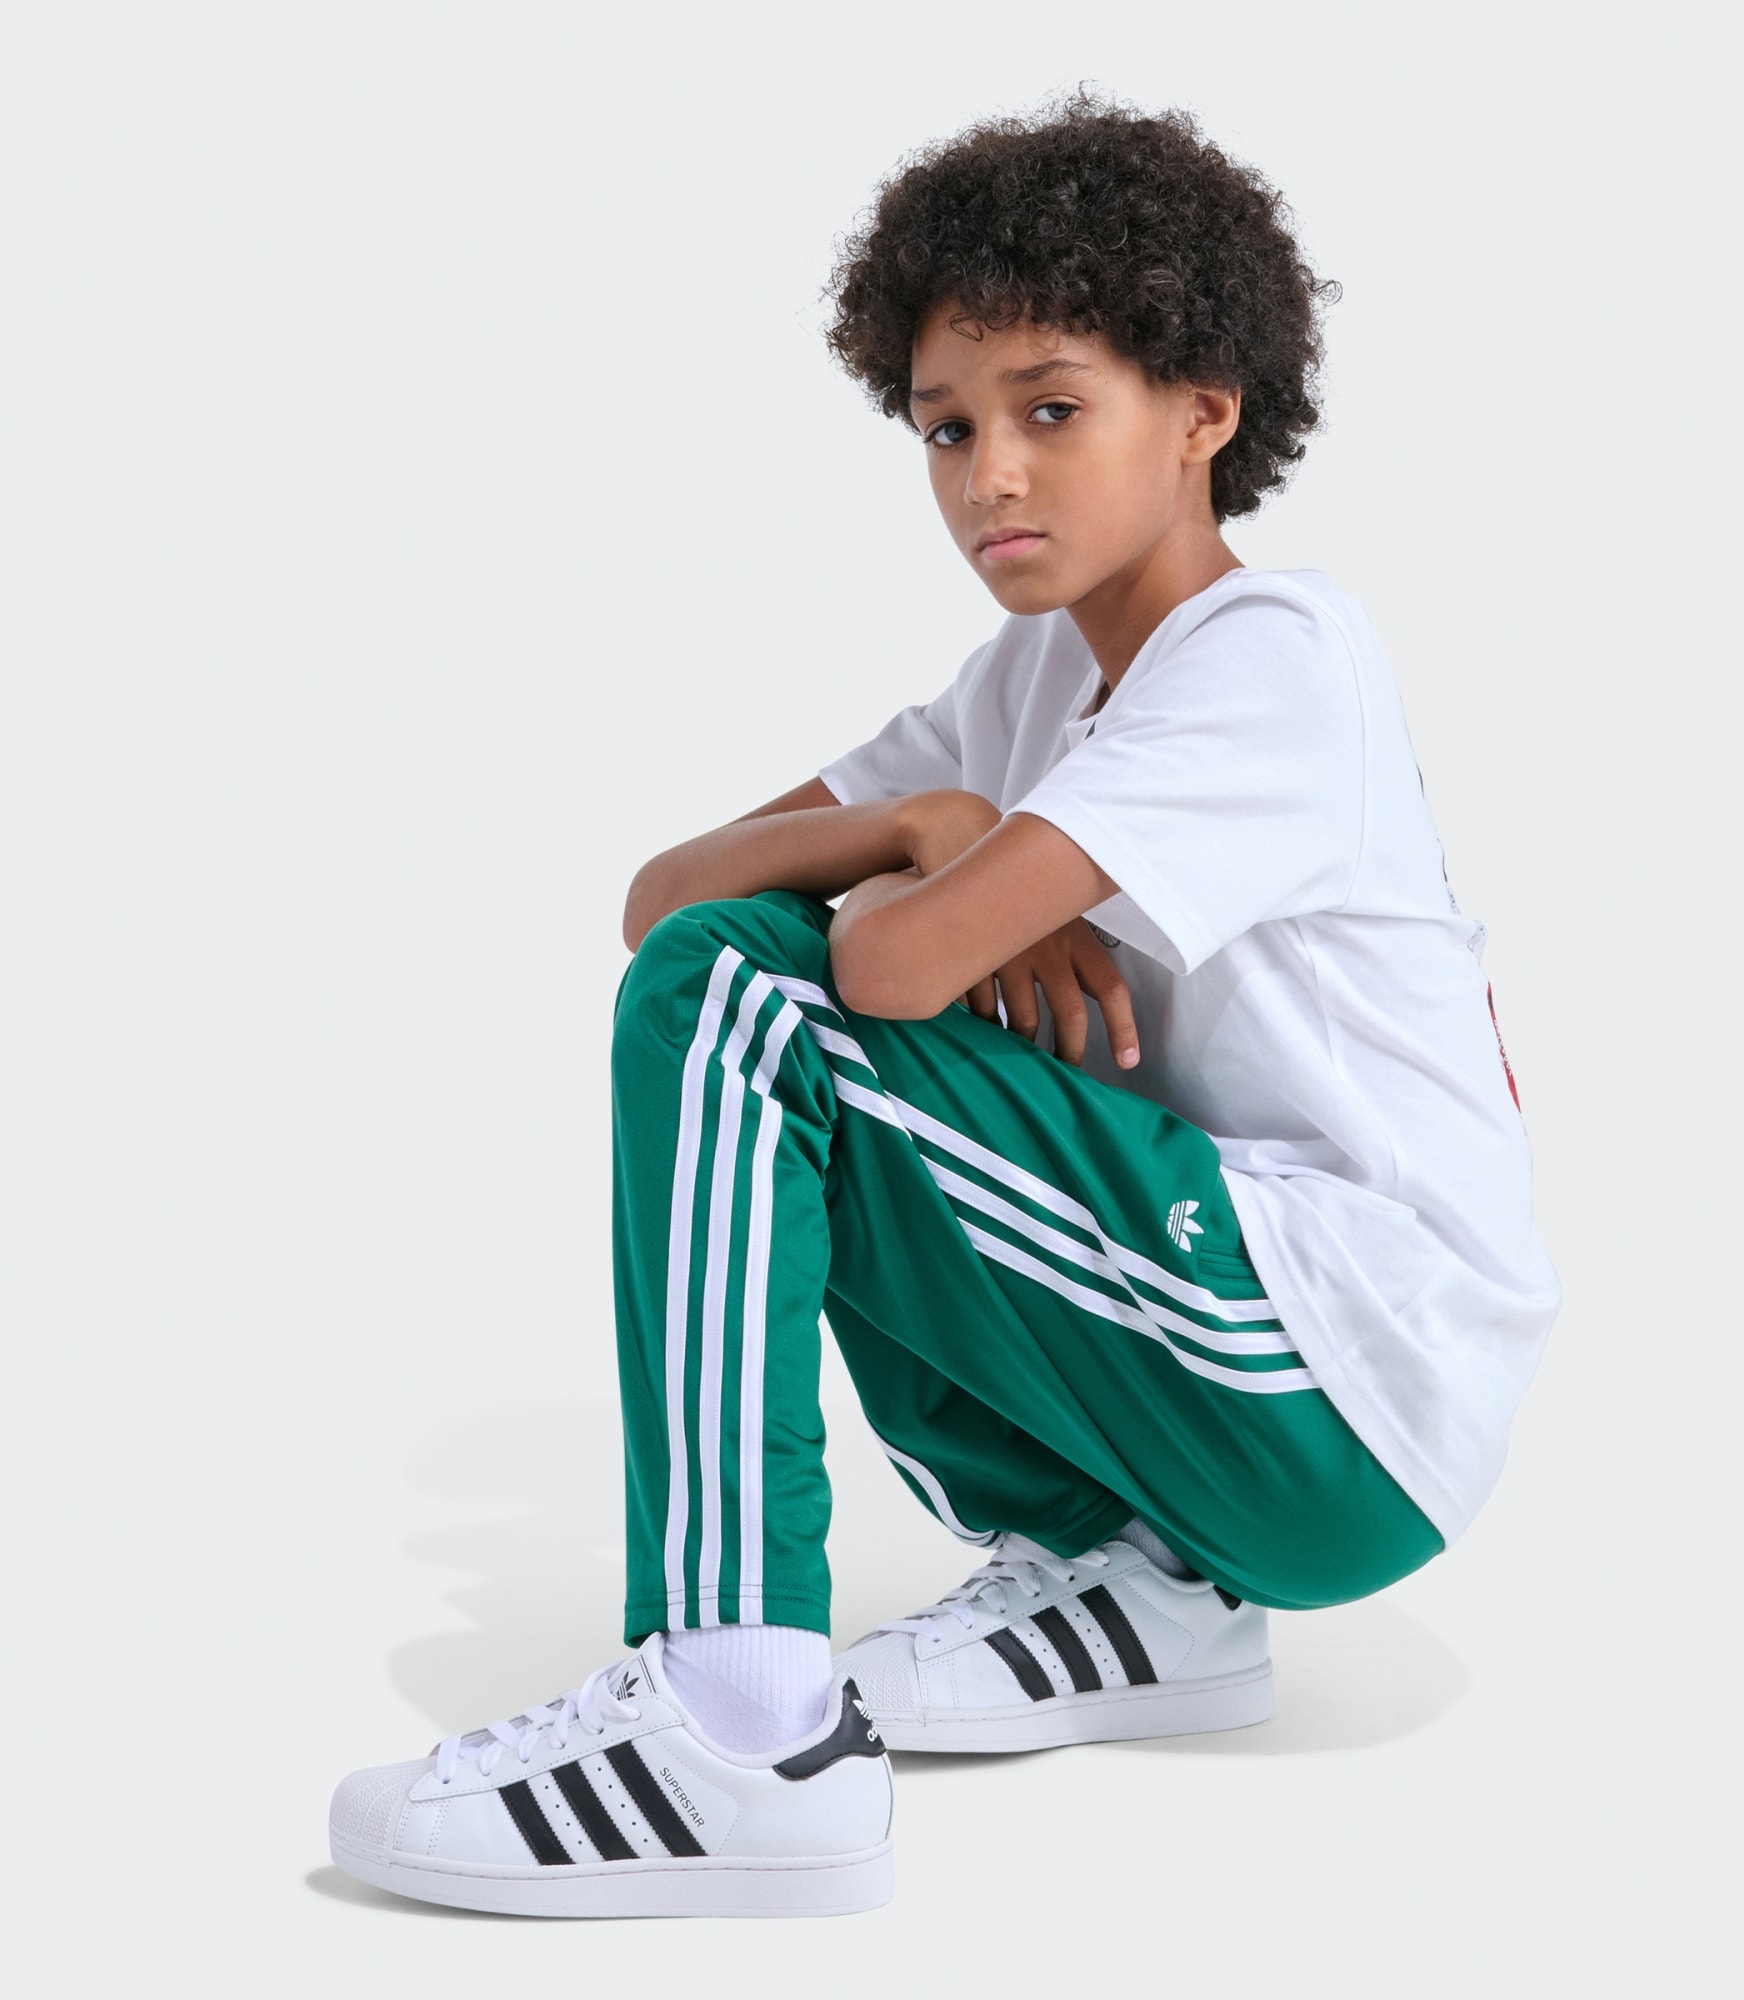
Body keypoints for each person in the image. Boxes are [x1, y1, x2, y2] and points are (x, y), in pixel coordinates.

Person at [328, 89, 1561, 1919]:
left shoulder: (1277, 655)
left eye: (1052, 410)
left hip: (1339, 1376)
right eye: (947, 427)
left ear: (1204, 410)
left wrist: (924, 890)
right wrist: (928, 824)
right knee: (729, 984)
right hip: (1245, 1384)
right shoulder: (1027, 681)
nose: (991, 476)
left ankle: (739, 1725)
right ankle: (1148, 1590)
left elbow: (873, 970)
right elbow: (664, 897)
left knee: (756, 1023)